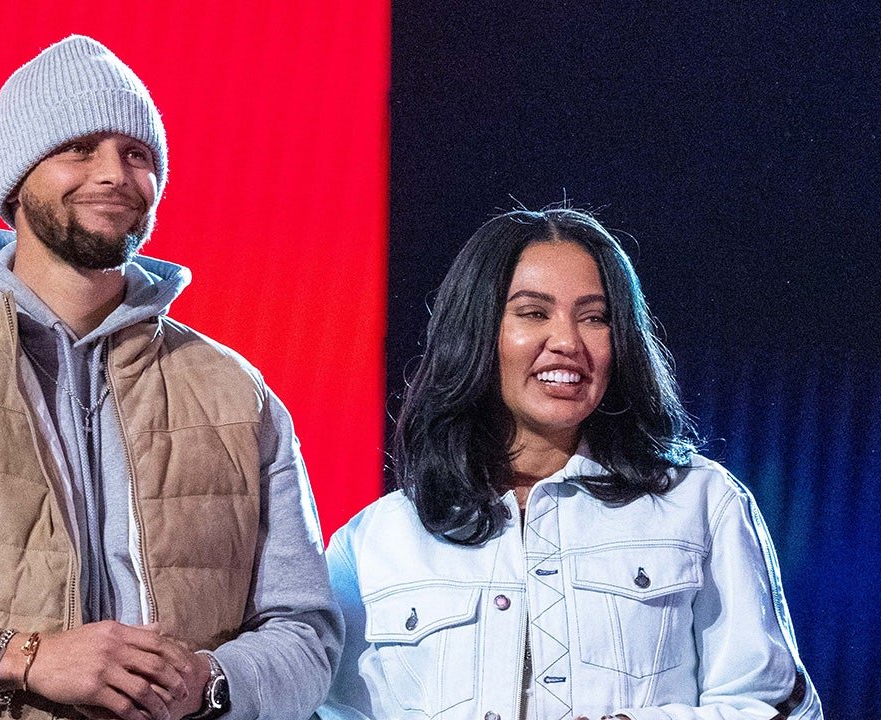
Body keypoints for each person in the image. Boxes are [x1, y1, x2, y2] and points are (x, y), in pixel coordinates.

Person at [0, 35, 339, 720]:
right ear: (17, 181)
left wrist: (207, 682)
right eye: (78, 149)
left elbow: (307, 635)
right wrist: (24, 658)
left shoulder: (237, 394)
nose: (113, 174)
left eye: (137, 154)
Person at [319, 208, 822, 720]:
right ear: (474, 331)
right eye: (533, 313)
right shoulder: (373, 543)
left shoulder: (702, 504)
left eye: (595, 318)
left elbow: (774, 707)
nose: (567, 342)